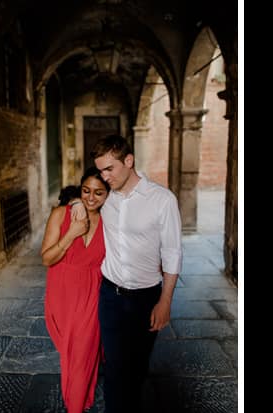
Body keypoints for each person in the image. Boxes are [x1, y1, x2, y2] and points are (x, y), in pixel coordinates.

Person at [72, 134, 182, 412]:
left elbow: (172, 252)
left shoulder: (162, 200)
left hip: (147, 298)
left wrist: (165, 301)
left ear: (129, 161)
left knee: (137, 369)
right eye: (101, 170)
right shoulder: (105, 197)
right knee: (115, 369)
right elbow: (83, 195)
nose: (105, 176)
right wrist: (75, 202)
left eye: (110, 168)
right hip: (111, 295)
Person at [41, 167, 110, 412]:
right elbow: (47, 259)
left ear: (108, 195)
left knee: (82, 355)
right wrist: (71, 233)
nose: (91, 198)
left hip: (92, 294)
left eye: (99, 193)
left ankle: (75, 407)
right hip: (61, 295)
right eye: (86, 191)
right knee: (71, 355)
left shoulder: (110, 222)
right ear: (80, 191)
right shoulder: (62, 214)